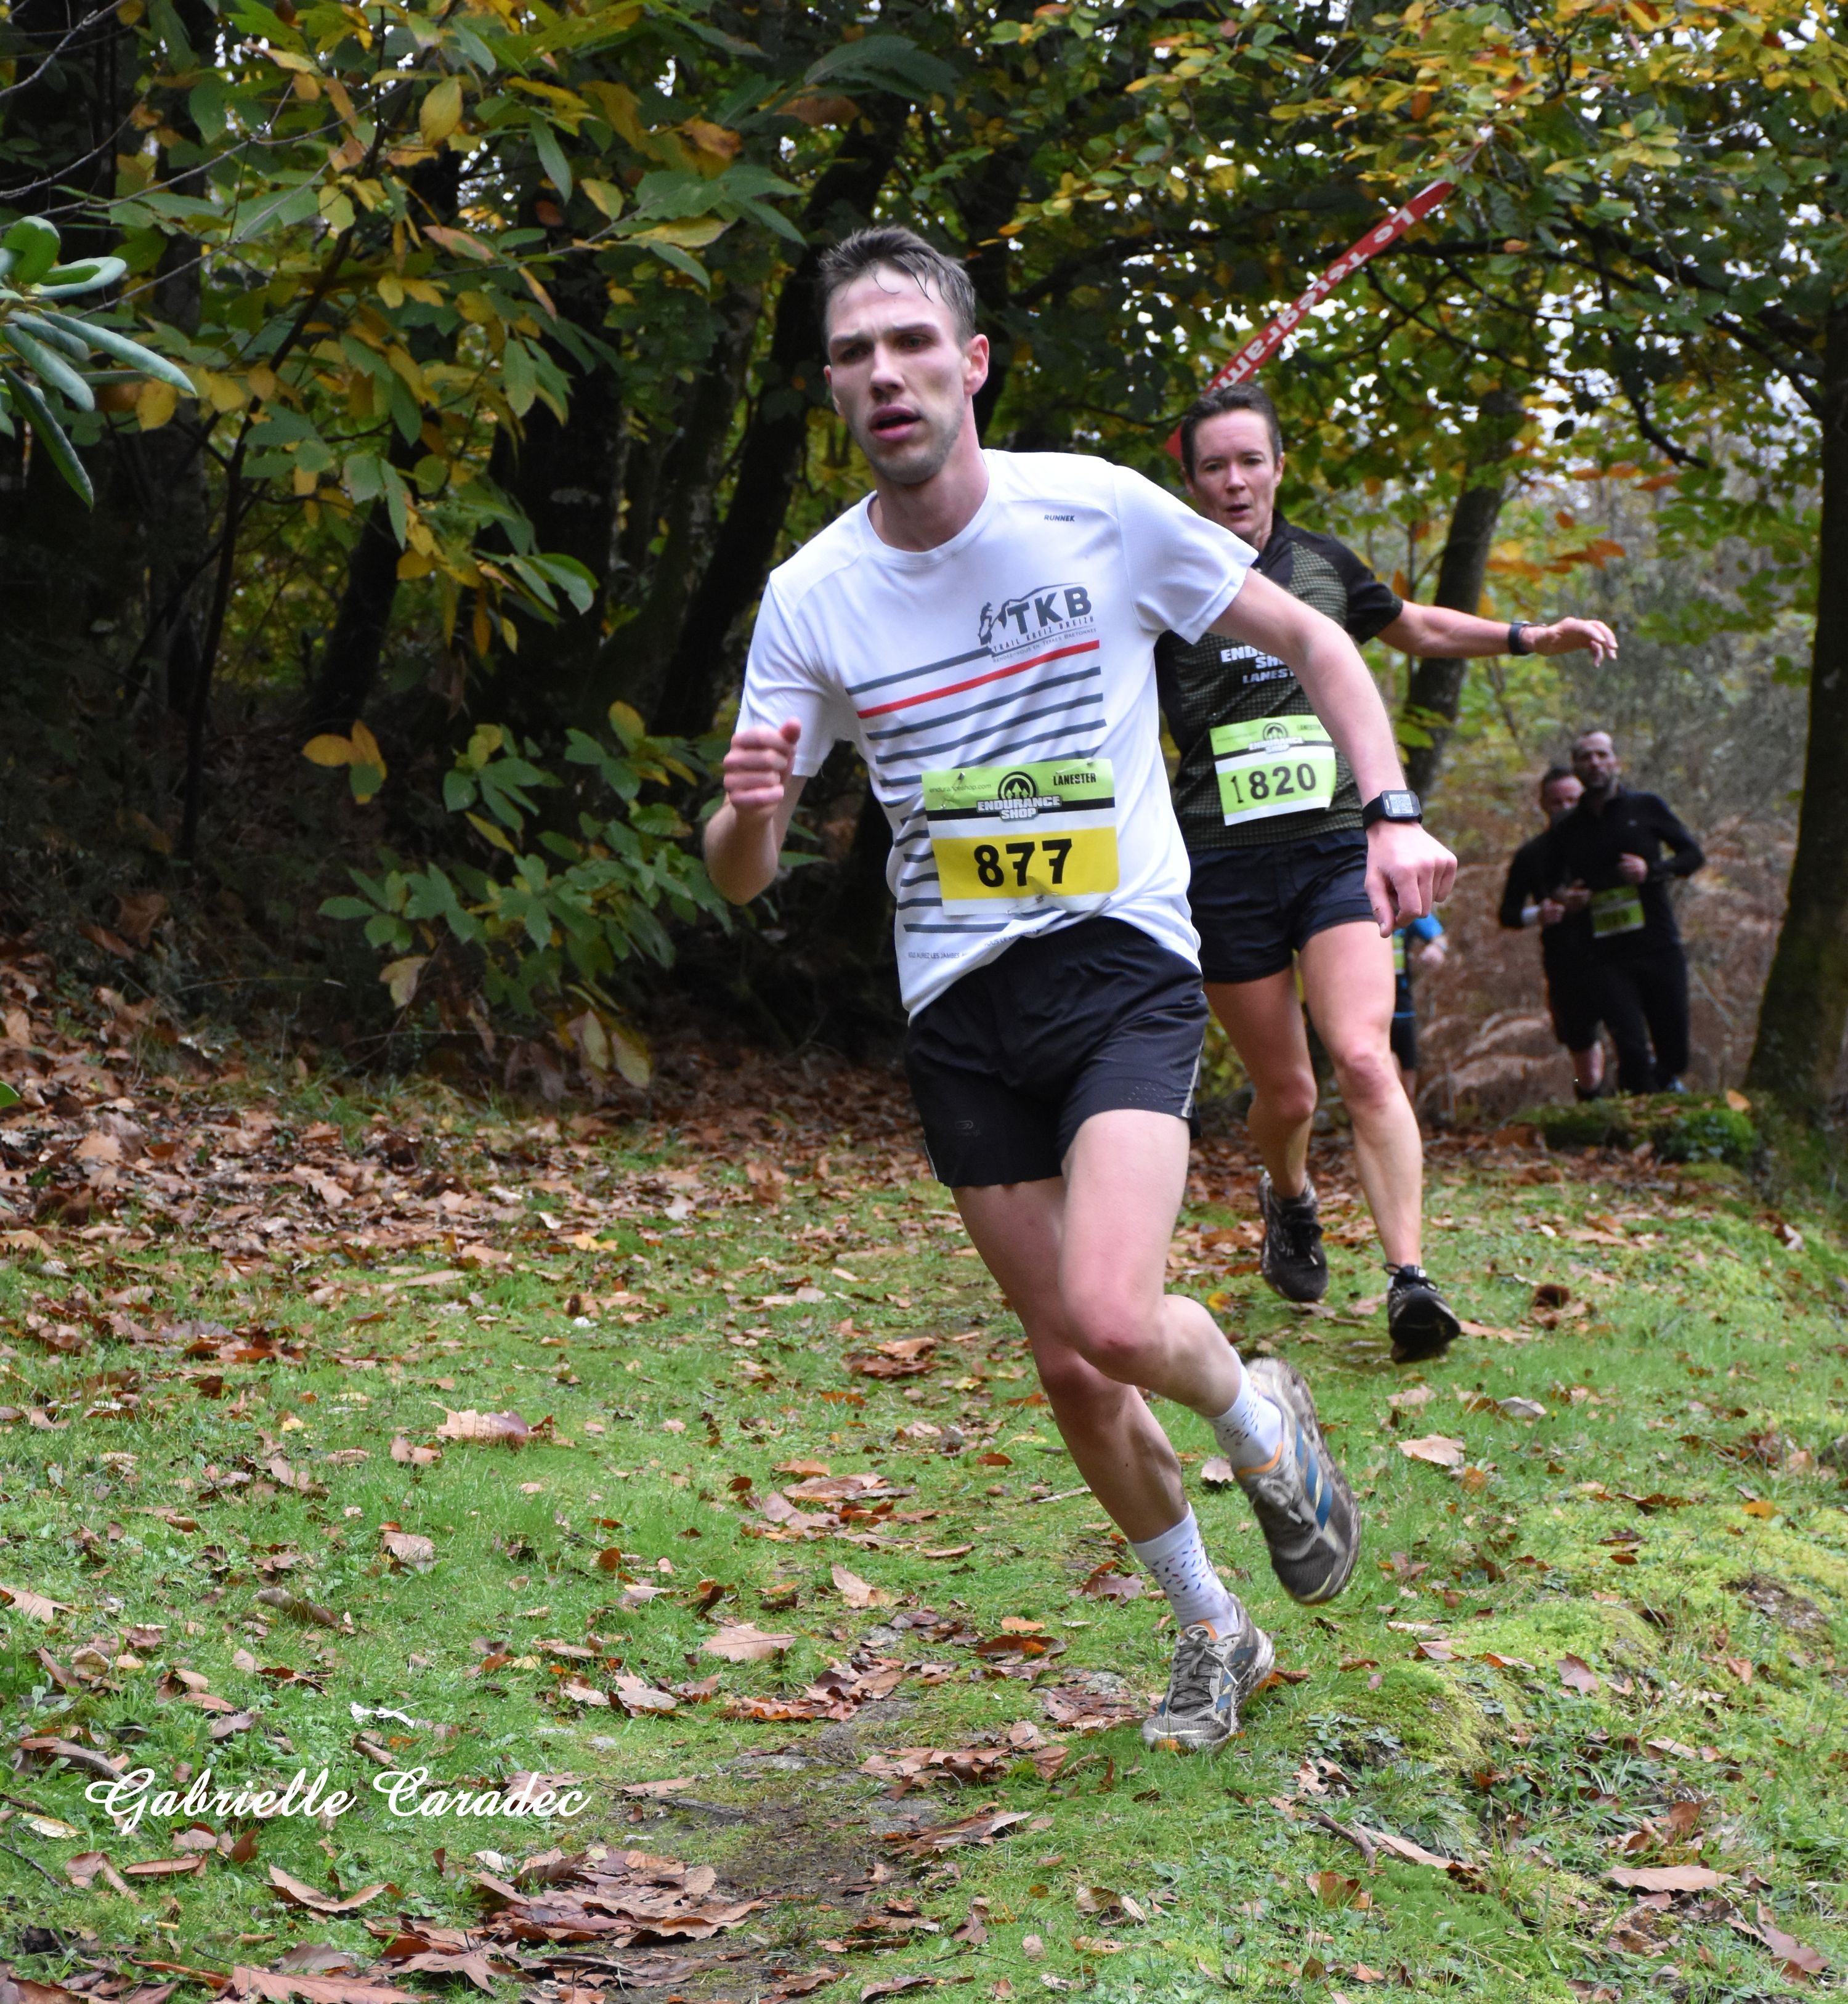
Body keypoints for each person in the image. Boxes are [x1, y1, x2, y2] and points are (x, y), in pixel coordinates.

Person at [705, 226, 1454, 1755]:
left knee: (1114, 1312)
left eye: (912, 343)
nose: (884, 374)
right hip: (956, 1004)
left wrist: (1390, 811)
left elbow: (1317, 640)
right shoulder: (811, 594)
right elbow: (736, 873)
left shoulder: (1095, 511)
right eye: (853, 353)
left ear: (970, 363)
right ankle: (1212, 1626)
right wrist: (751, 808)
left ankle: (1254, 1411)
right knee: (1065, 1360)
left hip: (1119, 960)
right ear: (833, 386)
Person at [1158, 383, 1618, 1362]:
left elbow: (1417, 628)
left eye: (1251, 460)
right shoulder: (1161, 576)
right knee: (1288, 1094)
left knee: (1365, 1057)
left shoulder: (1321, 565)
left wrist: (1530, 636)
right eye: (1214, 465)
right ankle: (1290, 1200)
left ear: (1279, 466)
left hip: (1337, 847)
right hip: (1222, 864)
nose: (1235, 481)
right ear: (1189, 479)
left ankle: (1411, 1279)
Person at [1539, 730, 1703, 1093]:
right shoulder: (1568, 827)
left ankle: (1663, 1095)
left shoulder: (1646, 807)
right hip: (1604, 954)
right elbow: (1551, 882)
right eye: (1586, 757)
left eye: (1602, 755)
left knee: (1674, 1050)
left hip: (1657, 943)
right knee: (1631, 1048)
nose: (1595, 763)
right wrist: (1568, 897)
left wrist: (1651, 871)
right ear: (1577, 768)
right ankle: (1635, 1110)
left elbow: (1692, 856)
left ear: (1616, 761)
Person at [1497, 764, 1607, 1099]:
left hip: (1615, 952)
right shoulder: (1532, 854)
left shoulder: (1609, 840)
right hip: (1565, 959)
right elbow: (1508, 914)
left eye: (1572, 800)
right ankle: (1592, 1104)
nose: (1565, 808)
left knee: (1631, 1034)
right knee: (1581, 1044)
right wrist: (1539, 914)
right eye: (1557, 801)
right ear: (1543, 805)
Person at [1391, 912, 1446, 1106]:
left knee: (1407, 1083)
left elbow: (1439, 936)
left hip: (1402, 1005)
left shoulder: (1401, 907)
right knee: (1386, 1076)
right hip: (1366, 1008)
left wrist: (1437, 948)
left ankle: (1407, 1115)